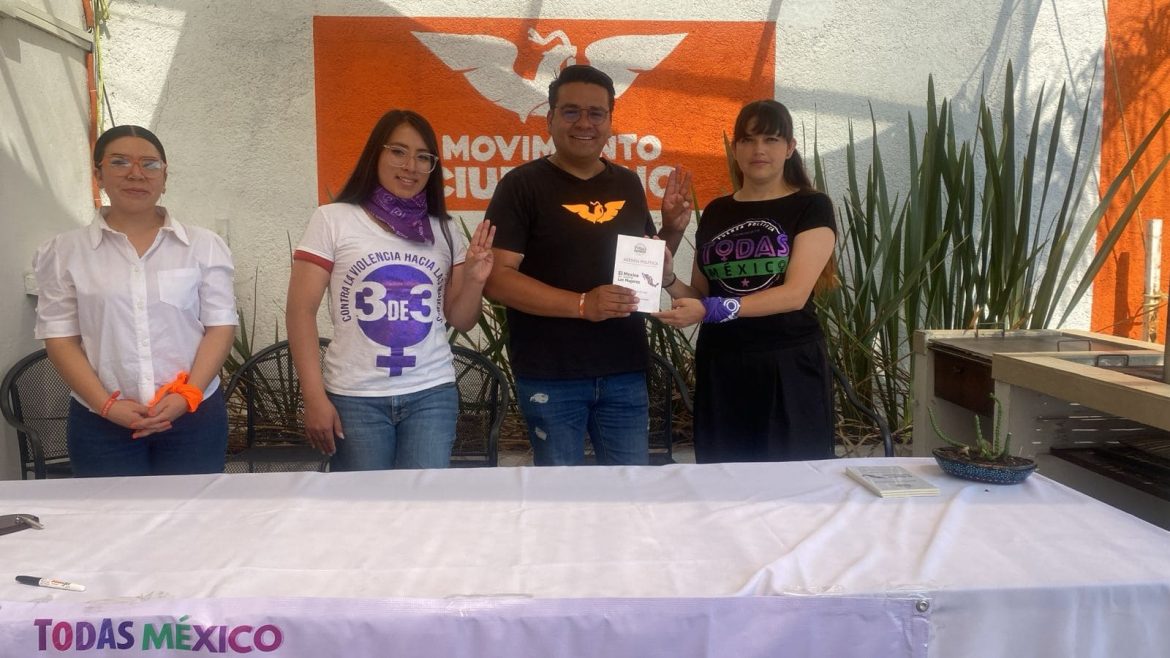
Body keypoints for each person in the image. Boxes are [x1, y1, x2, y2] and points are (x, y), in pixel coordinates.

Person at [484, 64, 691, 466]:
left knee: (630, 489)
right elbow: (497, 279)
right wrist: (582, 305)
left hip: (624, 370)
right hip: (551, 375)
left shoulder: (627, 183)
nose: (584, 123)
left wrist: (672, 230)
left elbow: (645, 269)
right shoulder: (521, 185)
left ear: (610, 122)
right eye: (571, 111)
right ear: (550, 119)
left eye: (596, 113)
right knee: (562, 495)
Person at [287, 109, 495, 470]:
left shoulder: (444, 229)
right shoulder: (333, 219)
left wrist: (475, 280)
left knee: (424, 499)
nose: (410, 166)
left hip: (431, 392)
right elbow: (300, 311)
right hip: (355, 396)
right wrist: (314, 397)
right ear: (376, 154)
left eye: (423, 157)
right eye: (398, 151)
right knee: (364, 502)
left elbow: (461, 319)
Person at [33, 125, 238, 477]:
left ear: (165, 177)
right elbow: (60, 338)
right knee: (111, 511)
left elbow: (220, 327)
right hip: (102, 423)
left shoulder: (203, 246)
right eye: (119, 162)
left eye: (149, 164)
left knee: (193, 509)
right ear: (98, 174)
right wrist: (106, 406)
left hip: (193, 417)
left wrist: (187, 395)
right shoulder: (64, 251)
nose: (136, 173)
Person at [654, 99, 839, 463]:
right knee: (723, 476)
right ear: (735, 149)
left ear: (790, 148)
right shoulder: (718, 210)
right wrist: (668, 278)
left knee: (794, 481)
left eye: (771, 139)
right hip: (721, 365)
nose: (759, 150)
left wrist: (712, 309)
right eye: (748, 140)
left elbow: (794, 295)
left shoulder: (811, 206)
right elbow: (702, 295)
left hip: (787, 365)